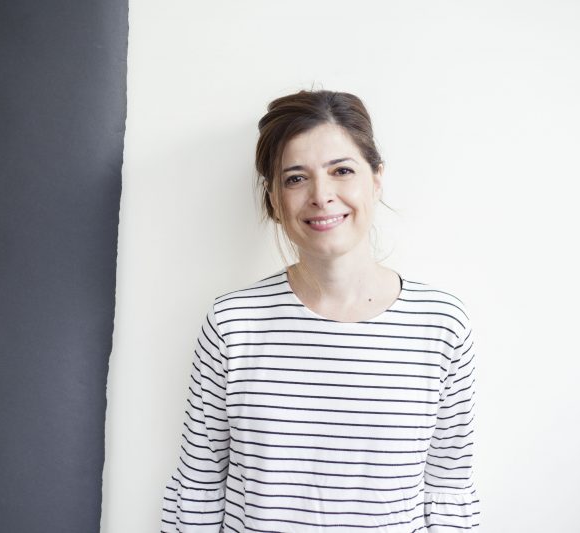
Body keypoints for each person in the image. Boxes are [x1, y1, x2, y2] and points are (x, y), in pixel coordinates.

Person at [161, 90, 481, 532]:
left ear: (376, 179)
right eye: (295, 178)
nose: (321, 195)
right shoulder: (232, 324)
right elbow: (198, 483)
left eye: (342, 171)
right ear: (274, 199)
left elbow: (448, 489)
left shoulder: (440, 325)